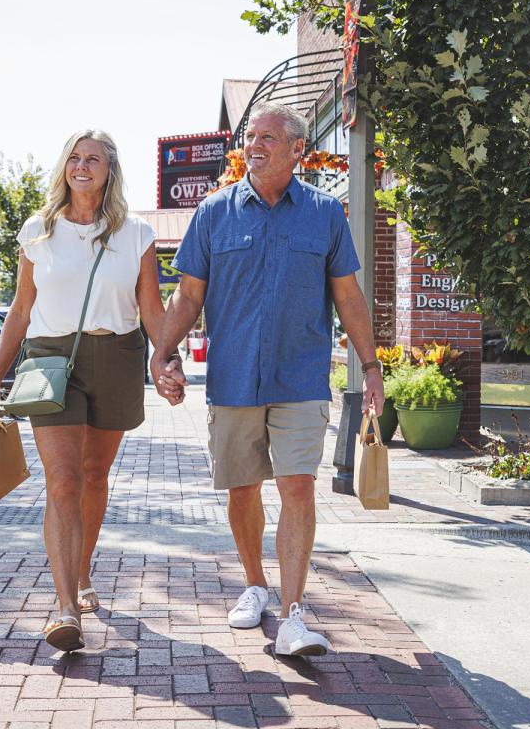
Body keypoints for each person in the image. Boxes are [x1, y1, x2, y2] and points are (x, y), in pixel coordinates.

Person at [150, 101, 384, 657]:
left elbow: (348, 297)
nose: (253, 145)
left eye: (267, 138)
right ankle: (255, 585)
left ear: (297, 150)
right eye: (250, 137)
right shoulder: (214, 212)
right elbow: (187, 295)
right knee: (241, 490)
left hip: (300, 375)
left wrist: (370, 367)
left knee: (297, 486)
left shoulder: (326, 214)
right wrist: (162, 353)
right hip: (233, 378)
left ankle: (294, 613)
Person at [0, 129, 178, 653]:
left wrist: (164, 359)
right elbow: (20, 309)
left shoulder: (136, 234)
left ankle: (83, 574)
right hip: (50, 359)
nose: (83, 166)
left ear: (110, 171)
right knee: (62, 479)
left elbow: (151, 310)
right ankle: (65, 608)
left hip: (117, 356)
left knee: (94, 475)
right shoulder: (38, 231)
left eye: (94, 159)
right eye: (75, 158)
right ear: (65, 167)